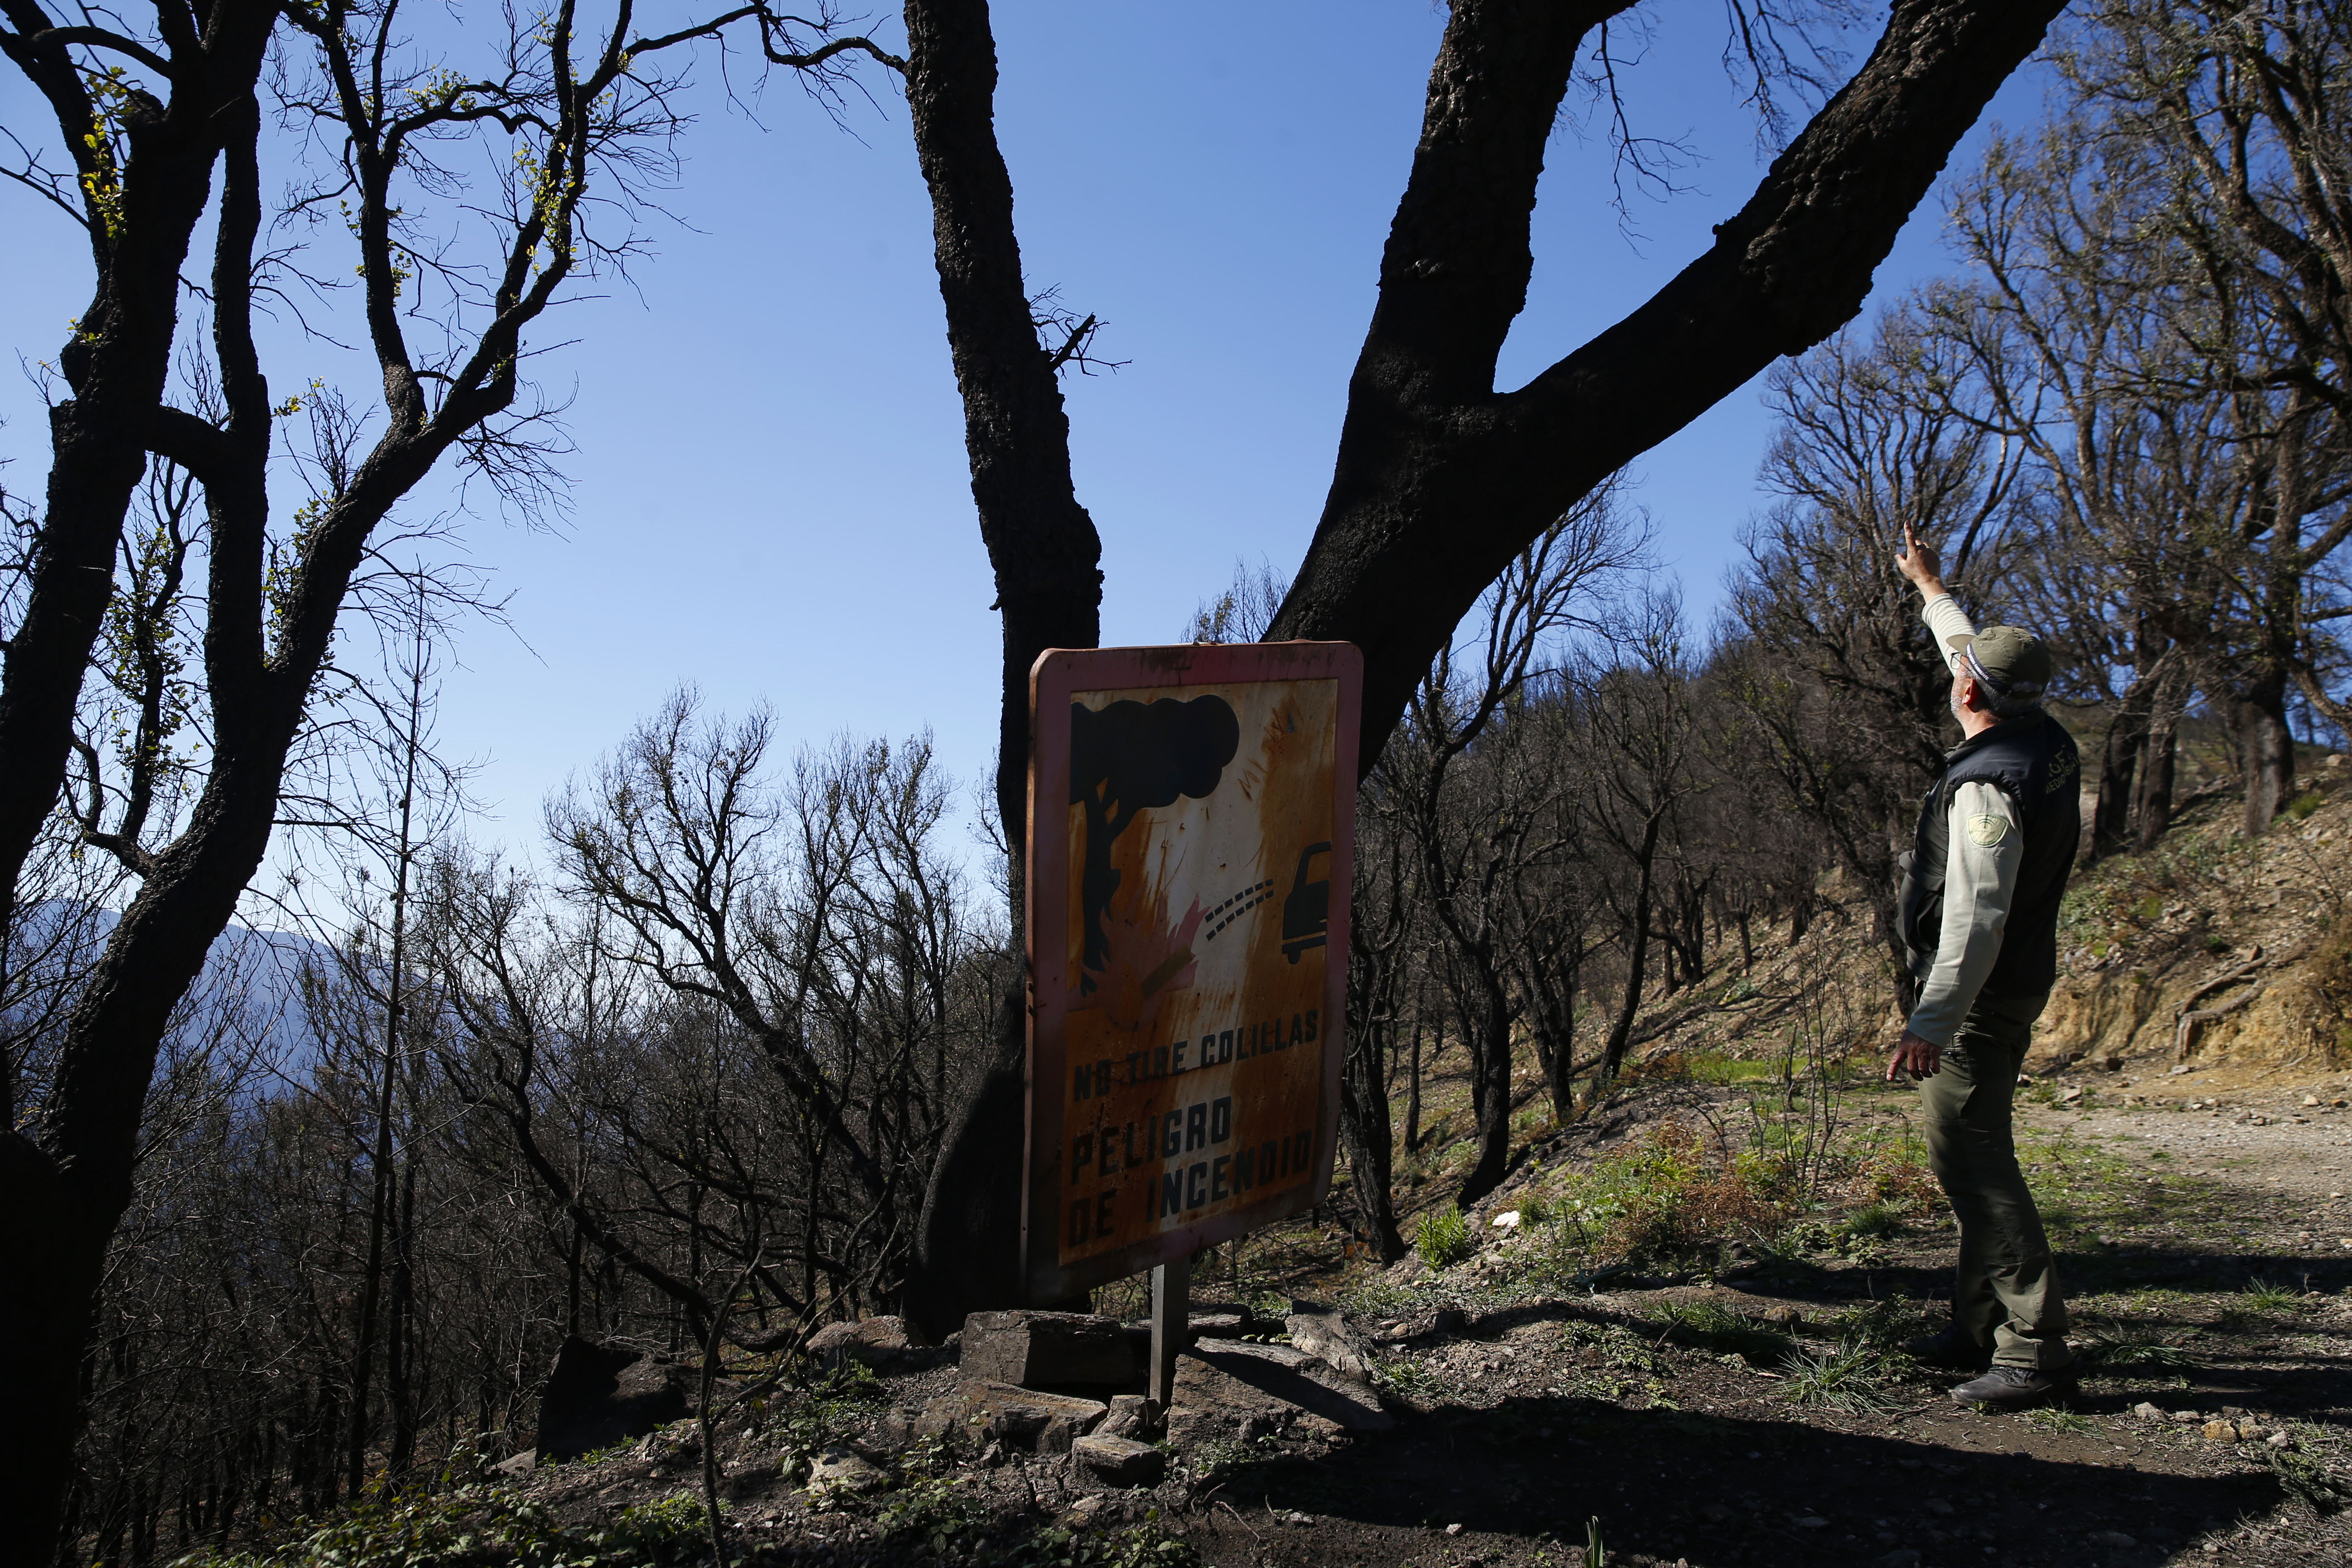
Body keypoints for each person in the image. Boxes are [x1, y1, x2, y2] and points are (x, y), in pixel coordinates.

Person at [1889, 522, 2082, 1409]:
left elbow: (1976, 914)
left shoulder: (1986, 789)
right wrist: (1929, 586)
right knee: (1976, 1152)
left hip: (1979, 997)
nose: (1955, 672)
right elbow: (1969, 651)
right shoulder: (2043, 740)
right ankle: (1978, 1327)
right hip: (2019, 983)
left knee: (1973, 1159)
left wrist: (1931, 1022)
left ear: (1973, 694)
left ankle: (2029, 1348)